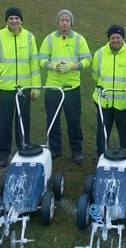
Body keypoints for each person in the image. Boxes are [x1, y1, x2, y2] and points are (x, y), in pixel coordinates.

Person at [0, 7, 41, 168]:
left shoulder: (29, 37)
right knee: (3, 124)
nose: (14, 21)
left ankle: (23, 150)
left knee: (23, 122)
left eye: (17, 18)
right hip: (4, 90)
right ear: (6, 21)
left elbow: (34, 64)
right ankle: (3, 154)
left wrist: (35, 87)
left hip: (24, 90)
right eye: (11, 18)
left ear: (21, 20)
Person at [39, 9, 91, 164]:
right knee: (53, 119)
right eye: (62, 20)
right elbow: (41, 60)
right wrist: (52, 65)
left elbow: (88, 60)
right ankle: (55, 149)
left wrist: (72, 67)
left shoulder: (79, 39)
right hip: (53, 87)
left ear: (71, 22)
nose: (64, 23)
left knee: (74, 120)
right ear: (57, 22)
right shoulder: (49, 39)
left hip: (71, 87)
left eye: (67, 20)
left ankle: (77, 150)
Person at [91, 25, 126, 158]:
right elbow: (95, 75)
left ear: (123, 38)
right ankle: (101, 154)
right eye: (113, 37)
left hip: (123, 102)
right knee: (103, 130)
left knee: (125, 131)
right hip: (104, 100)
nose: (115, 40)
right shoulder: (100, 53)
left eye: (118, 37)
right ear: (109, 39)